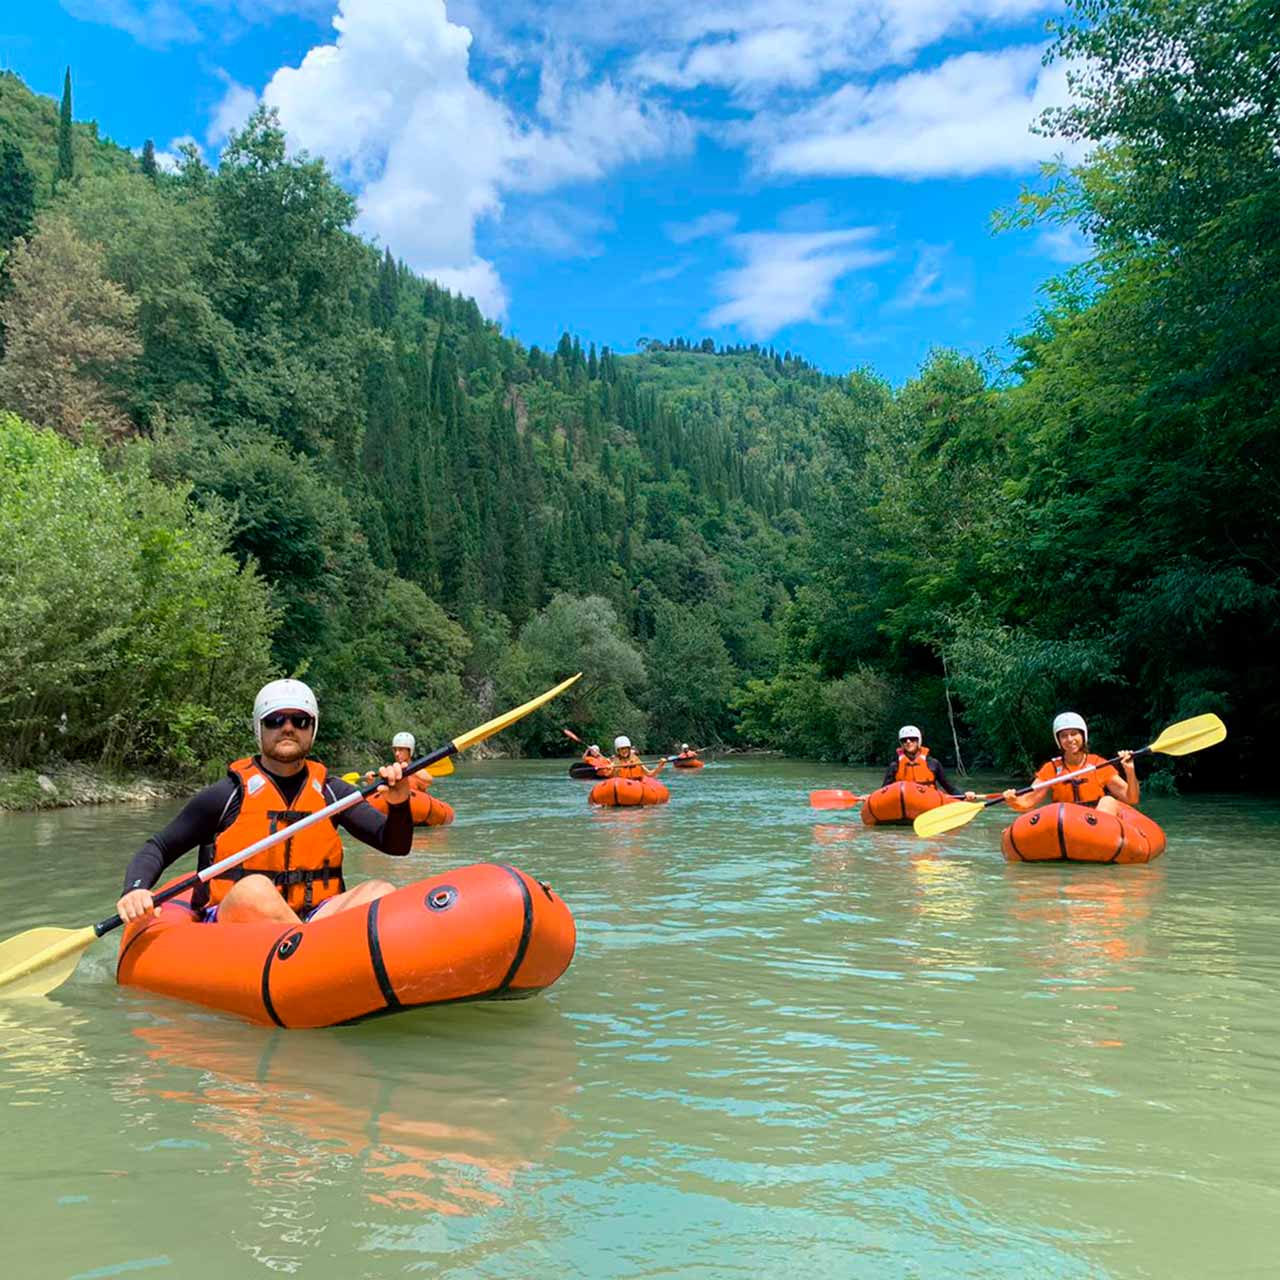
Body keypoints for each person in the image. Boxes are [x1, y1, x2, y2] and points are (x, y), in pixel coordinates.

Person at [116, 679, 413, 927]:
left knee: (380, 891)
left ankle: (312, 951)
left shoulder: (331, 793)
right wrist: (135, 889)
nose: (287, 728)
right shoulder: (226, 795)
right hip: (236, 920)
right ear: (259, 729)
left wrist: (399, 803)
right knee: (254, 891)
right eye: (274, 720)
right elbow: (159, 847)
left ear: (312, 729)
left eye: (299, 720)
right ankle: (310, 952)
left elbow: (395, 845)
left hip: (314, 915)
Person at [1002, 712, 1138, 815]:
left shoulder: (1099, 764)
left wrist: (1130, 771)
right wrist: (1013, 800)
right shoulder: (1051, 769)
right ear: (1059, 740)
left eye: (1074, 734)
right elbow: (1026, 802)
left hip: (1096, 820)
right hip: (1066, 820)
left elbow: (1131, 798)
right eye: (1064, 735)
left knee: (1108, 801)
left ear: (1083, 736)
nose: (1070, 739)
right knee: (1050, 810)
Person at [884, 725, 975, 801]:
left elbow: (949, 787)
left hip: (928, 801)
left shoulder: (933, 764)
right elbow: (883, 791)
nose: (908, 742)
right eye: (904, 740)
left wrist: (963, 795)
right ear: (901, 743)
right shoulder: (894, 766)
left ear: (918, 741)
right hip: (903, 802)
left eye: (912, 739)